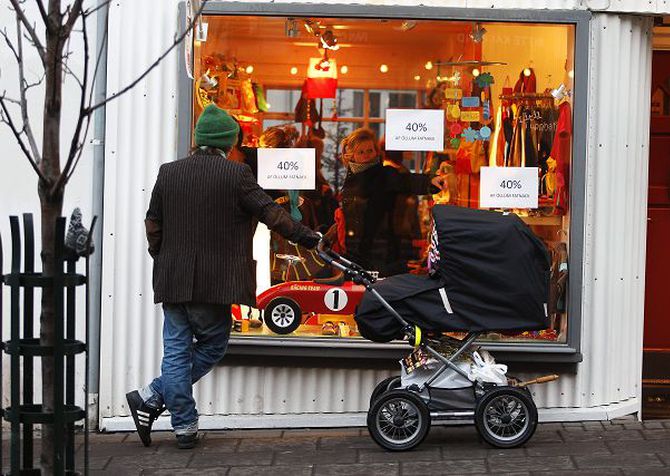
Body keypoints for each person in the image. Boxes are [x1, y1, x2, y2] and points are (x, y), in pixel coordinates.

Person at [126, 104, 321, 449]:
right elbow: (271, 213)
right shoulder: (236, 175)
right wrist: (309, 237)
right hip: (212, 282)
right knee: (213, 345)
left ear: (199, 140)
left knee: (175, 351)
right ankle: (158, 400)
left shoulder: (168, 172)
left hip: (172, 277)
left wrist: (163, 257)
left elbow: (152, 222)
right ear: (228, 143)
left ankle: (173, 416)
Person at [338, 128, 445, 276]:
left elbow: (406, 180)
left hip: (379, 252)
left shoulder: (383, 174)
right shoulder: (351, 179)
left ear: (376, 151)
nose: (366, 156)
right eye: (361, 152)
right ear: (352, 157)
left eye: (370, 150)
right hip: (356, 252)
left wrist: (430, 181)